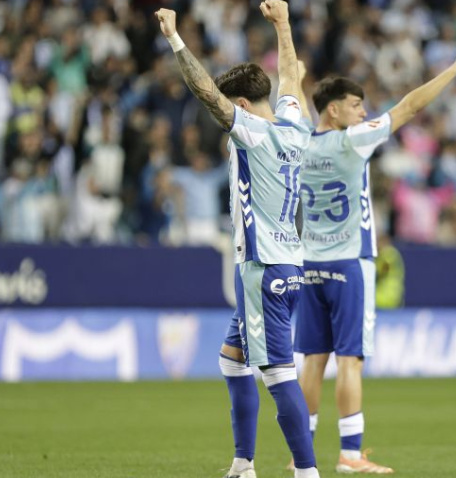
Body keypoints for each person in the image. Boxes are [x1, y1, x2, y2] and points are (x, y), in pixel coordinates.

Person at [294, 49, 456, 474]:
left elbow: (305, 114)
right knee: (350, 360)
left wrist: (299, 81)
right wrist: (455, 68)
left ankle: (300, 453)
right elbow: (410, 106)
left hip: (310, 264)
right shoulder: (353, 140)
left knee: (313, 361)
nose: (364, 112)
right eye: (356, 105)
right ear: (335, 109)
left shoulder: (301, 142)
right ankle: (350, 455)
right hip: (349, 263)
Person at [155, 3, 319, 478]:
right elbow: (291, 75)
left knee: (278, 374)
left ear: (242, 106)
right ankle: (243, 464)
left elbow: (206, 92)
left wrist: (175, 38)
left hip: (262, 269)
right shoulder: (295, 124)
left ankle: (307, 472)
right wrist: (283, 24)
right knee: (232, 359)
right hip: (287, 262)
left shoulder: (254, 133)